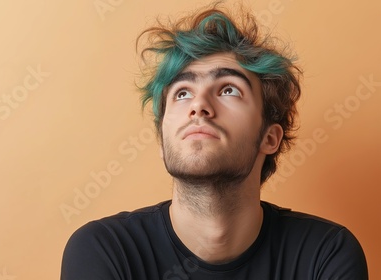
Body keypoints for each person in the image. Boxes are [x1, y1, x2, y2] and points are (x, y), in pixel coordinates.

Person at [61, 2, 368, 279]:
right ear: (161, 140)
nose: (198, 106)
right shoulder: (104, 250)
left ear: (269, 137)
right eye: (182, 93)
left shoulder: (325, 254)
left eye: (228, 90)